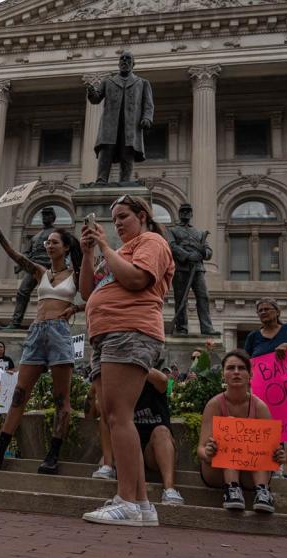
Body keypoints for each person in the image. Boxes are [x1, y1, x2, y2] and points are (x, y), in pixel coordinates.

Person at [78, 194, 174, 526]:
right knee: (113, 415)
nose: (117, 223)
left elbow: (135, 280)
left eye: (123, 216)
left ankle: (127, 501)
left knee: (119, 416)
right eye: (113, 218)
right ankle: (143, 505)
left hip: (130, 329)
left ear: (143, 216)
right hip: (107, 333)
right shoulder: (118, 252)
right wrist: (89, 252)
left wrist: (104, 247)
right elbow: (87, 292)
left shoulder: (152, 242)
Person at [0, 207, 82, 474]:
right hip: (36, 332)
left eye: (54, 242)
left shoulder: (77, 276)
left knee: (61, 400)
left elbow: (97, 295)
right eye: (47, 242)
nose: (48, 245)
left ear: (66, 247)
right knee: (19, 394)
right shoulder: (40, 273)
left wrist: (75, 309)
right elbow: (14, 254)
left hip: (59, 333)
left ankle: (53, 455)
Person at [197, 350, 286, 512]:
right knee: (231, 429)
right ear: (223, 374)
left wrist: (279, 456)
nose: (236, 372)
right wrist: (208, 452)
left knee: (259, 443)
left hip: (251, 474)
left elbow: (273, 451)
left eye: (241, 368)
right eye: (230, 368)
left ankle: (262, 492)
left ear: (250, 374)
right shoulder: (214, 405)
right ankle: (232, 489)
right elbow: (201, 449)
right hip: (216, 472)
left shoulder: (260, 407)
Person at [243, 298, 287, 480]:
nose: (263, 312)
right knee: (271, 430)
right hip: (266, 392)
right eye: (260, 310)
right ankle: (276, 469)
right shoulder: (253, 337)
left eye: (267, 309)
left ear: (277, 311)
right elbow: (246, 361)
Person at [86, 51, 154, 185]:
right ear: (118, 63)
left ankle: (125, 181)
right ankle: (101, 179)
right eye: (122, 59)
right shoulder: (108, 81)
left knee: (127, 152)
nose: (124, 61)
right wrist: (91, 92)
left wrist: (147, 118)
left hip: (130, 124)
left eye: (128, 59)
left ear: (133, 63)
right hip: (110, 124)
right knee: (106, 150)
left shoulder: (142, 83)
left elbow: (148, 104)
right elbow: (96, 99)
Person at [134, 365, 184, 505]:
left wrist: (132, 362)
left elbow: (163, 380)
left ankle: (169, 490)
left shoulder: (154, 383)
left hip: (155, 450)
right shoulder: (122, 388)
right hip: (131, 449)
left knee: (161, 431)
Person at [168, 203, 218, 336]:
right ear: (179, 214)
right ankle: (181, 328)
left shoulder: (200, 233)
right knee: (181, 299)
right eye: (183, 211)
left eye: (188, 211)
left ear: (191, 214)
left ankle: (207, 328)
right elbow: (172, 246)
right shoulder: (173, 231)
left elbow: (209, 252)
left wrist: (202, 253)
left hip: (198, 269)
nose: (185, 213)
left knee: (203, 296)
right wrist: (188, 255)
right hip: (181, 269)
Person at [7, 206, 58, 329]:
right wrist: (20, 264)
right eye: (44, 215)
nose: (45, 217)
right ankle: (15, 323)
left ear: (53, 218)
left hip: (48, 268)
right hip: (33, 268)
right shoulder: (36, 236)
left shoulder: (56, 234)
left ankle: (53, 322)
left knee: (49, 295)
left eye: (48, 215)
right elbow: (27, 253)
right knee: (22, 292)